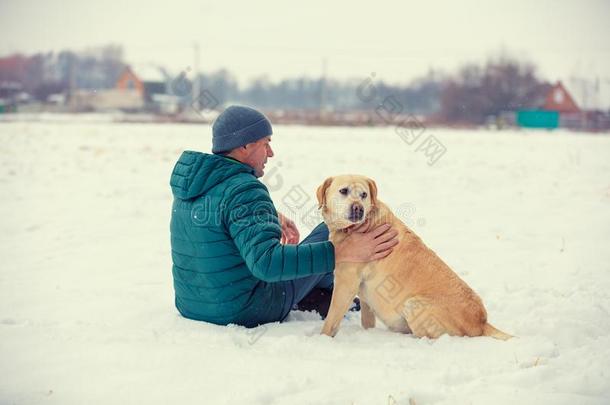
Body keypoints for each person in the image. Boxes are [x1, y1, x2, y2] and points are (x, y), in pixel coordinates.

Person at [169, 105, 398, 327]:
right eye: (266, 144)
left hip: (193, 305)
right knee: (328, 230)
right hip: (245, 309)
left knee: (315, 264)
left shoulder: (196, 184)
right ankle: (347, 292)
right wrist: (343, 251)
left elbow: (216, 218)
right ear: (245, 146)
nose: (271, 153)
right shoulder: (245, 189)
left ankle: (325, 297)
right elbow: (267, 264)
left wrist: (268, 215)